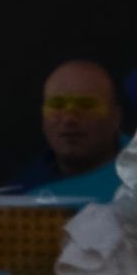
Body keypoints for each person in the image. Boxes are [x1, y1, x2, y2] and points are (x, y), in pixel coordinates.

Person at [20, 61, 126, 199]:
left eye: (86, 105)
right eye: (57, 105)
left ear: (116, 118)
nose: (69, 119)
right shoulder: (21, 194)